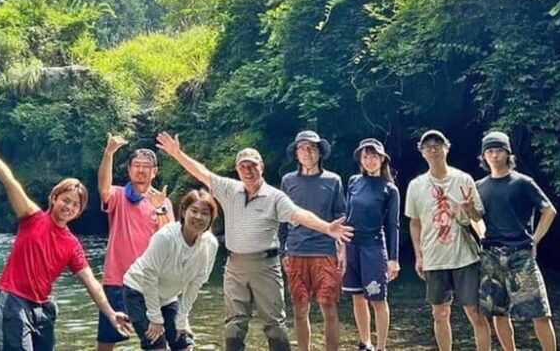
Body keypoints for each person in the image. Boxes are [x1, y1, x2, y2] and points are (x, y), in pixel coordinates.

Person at [156, 132, 353, 351]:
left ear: (262, 167)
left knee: (275, 326)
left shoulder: (275, 196)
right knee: (234, 325)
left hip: (266, 267)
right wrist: (177, 153)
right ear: (237, 169)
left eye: (253, 166)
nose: (248, 171)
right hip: (235, 267)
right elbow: (202, 173)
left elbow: (299, 214)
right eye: (243, 167)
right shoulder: (228, 189)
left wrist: (327, 228)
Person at [0, 124, 129, 351]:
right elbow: (10, 182)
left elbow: (91, 282)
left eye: (75, 205)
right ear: (54, 198)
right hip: (13, 301)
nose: (69, 206)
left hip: (43, 309)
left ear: (79, 212)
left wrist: (110, 313)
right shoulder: (31, 217)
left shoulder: (72, 244)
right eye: (65, 200)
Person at [404, 129, 491, 351]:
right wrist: (418, 256)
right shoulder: (416, 185)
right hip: (434, 258)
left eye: (438, 145)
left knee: (475, 312)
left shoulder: (463, 179)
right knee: (439, 313)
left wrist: (469, 209)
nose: (433, 150)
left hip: (465, 257)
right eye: (428, 147)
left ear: (447, 148)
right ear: (422, 152)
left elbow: (478, 219)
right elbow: (414, 222)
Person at [476, 131, 557, 351]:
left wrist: (535, 240)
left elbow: (549, 210)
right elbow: (475, 217)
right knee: (498, 313)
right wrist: (477, 227)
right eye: (489, 151)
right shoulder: (479, 186)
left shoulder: (522, 182)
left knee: (540, 313)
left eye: (498, 151)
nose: (494, 155)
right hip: (491, 255)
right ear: (483, 156)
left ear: (508, 154)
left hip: (520, 253)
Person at [97, 133, 175, 351]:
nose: (141, 170)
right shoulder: (119, 195)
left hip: (149, 282)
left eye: (146, 166)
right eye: (137, 165)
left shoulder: (163, 202)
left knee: (155, 341)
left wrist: (159, 208)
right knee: (106, 341)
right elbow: (103, 189)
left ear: (154, 171)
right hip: (117, 280)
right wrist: (109, 152)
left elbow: (169, 239)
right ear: (129, 170)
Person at [122, 189, 220, 350]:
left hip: (167, 297)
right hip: (138, 291)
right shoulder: (165, 237)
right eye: (194, 211)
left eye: (205, 213)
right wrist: (155, 318)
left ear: (211, 218)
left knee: (184, 344)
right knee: (157, 345)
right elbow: (149, 276)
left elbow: (196, 283)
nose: (198, 217)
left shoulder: (210, 245)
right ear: (184, 212)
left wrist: (182, 319)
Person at [278, 130, 346, 351]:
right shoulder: (288, 181)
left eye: (312, 148)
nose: (307, 152)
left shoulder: (333, 180)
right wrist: (283, 252)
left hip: (325, 250)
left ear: (320, 152)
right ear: (296, 153)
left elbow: (341, 217)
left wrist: (342, 251)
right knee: (300, 308)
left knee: (328, 304)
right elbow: (282, 219)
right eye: (302, 148)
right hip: (296, 251)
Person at [342, 138, 400, 351]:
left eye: (374, 156)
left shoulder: (389, 189)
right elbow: (347, 216)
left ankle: (381, 346)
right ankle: (365, 342)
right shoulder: (354, 182)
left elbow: (393, 225)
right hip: (351, 246)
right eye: (365, 156)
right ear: (360, 159)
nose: (370, 160)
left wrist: (393, 259)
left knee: (378, 298)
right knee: (357, 297)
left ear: (382, 159)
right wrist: (341, 248)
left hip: (373, 247)